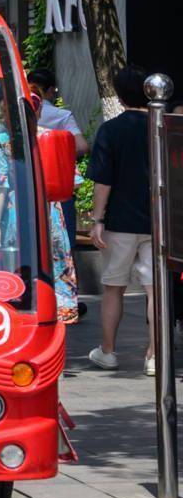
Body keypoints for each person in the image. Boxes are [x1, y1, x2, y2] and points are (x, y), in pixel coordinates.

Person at [89, 65, 158, 375]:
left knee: (114, 288)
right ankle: (154, 356)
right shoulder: (162, 127)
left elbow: (103, 182)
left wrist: (97, 219)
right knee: (154, 291)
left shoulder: (110, 130)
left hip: (119, 221)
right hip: (157, 223)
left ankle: (108, 351)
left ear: (118, 94)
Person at [30, 68, 89, 257]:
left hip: (27, 190)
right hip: (58, 186)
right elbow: (82, 146)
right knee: (64, 246)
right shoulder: (61, 117)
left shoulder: (11, 123)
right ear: (49, 91)